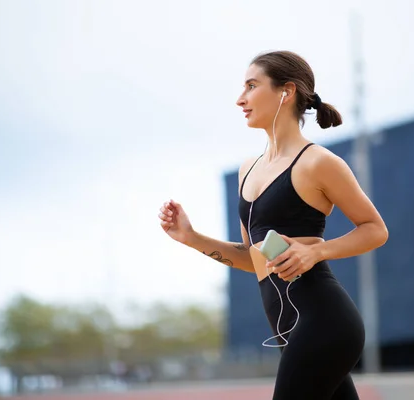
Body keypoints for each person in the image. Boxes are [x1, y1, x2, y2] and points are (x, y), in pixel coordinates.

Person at [158, 50, 388, 400]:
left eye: (251, 86)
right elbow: (253, 259)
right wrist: (190, 237)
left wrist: (315, 253)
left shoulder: (318, 162)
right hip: (287, 328)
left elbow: (375, 228)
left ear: (286, 91)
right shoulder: (246, 170)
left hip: (325, 321)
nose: (240, 99)